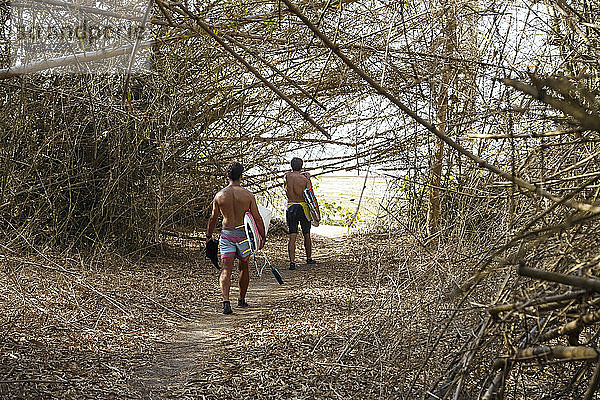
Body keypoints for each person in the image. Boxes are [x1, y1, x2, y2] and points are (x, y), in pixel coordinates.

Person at [206, 162, 265, 315]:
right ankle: (241, 299)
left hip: (226, 234)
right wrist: (262, 236)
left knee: (226, 269)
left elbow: (213, 218)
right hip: (243, 235)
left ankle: (226, 301)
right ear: (241, 176)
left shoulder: (219, 195)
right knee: (244, 266)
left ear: (227, 175)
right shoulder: (248, 195)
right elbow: (257, 218)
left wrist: (208, 236)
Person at [284, 157, 317, 270]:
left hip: (291, 206)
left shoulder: (287, 176)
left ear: (291, 166)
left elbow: (287, 175)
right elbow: (310, 194)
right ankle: (308, 258)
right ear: (302, 166)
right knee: (306, 234)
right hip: (303, 207)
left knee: (292, 235)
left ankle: (292, 262)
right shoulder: (305, 180)